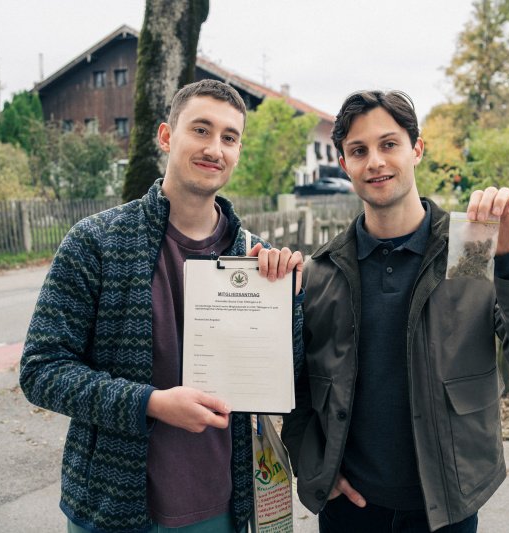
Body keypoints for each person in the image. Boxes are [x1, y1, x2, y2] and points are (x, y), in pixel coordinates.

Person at [281, 90, 509, 533]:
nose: (375, 161)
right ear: (344, 165)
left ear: (416, 149)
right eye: (358, 151)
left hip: (447, 508)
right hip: (349, 510)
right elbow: (295, 387)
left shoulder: (468, 249)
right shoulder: (324, 271)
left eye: (389, 144)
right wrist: (316, 465)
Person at [20, 79, 303, 533]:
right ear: (167, 136)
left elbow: (285, 380)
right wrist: (150, 402)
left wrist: (288, 303)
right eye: (201, 130)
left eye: (229, 137)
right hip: (113, 508)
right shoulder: (97, 242)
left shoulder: (254, 258)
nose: (215, 148)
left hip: (223, 507)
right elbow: (41, 370)